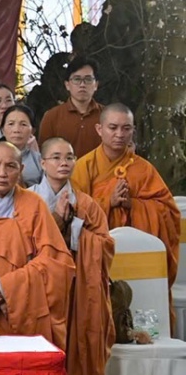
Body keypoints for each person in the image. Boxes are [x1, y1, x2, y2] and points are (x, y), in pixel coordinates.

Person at [0, 142, 75, 349]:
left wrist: (6, 287)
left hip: (24, 302)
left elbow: (54, 259)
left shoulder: (34, 203)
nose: (2, 173)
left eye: (10, 166)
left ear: (21, 169)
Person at [32, 137, 115, 375]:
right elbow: (22, 245)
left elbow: (105, 245)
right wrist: (57, 219)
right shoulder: (28, 200)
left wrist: (75, 225)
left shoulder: (87, 204)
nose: (63, 163)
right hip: (40, 288)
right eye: (55, 157)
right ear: (42, 163)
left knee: (79, 351)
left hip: (79, 290)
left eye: (69, 157)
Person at [71, 103, 180, 312]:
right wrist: (107, 202)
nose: (119, 134)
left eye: (126, 128)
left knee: (144, 305)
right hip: (99, 257)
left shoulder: (144, 169)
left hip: (141, 257)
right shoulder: (83, 168)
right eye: (113, 127)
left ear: (133, 131)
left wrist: (134, 205)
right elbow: (74, 215)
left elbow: (169, 212)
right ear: (99, 129)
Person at [39, 57, 103, 158]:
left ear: (96, 85)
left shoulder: (107, 116)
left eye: (88, 79)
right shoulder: (52, 117)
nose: (82, 85)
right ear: (67, 85)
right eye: (77, 79)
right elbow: (44, 155)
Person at [1, 104, 42, 186]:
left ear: (32, 131)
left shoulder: (40, 160)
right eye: (11, 124)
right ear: (2, 130)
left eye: (23, 124)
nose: (16, 130)